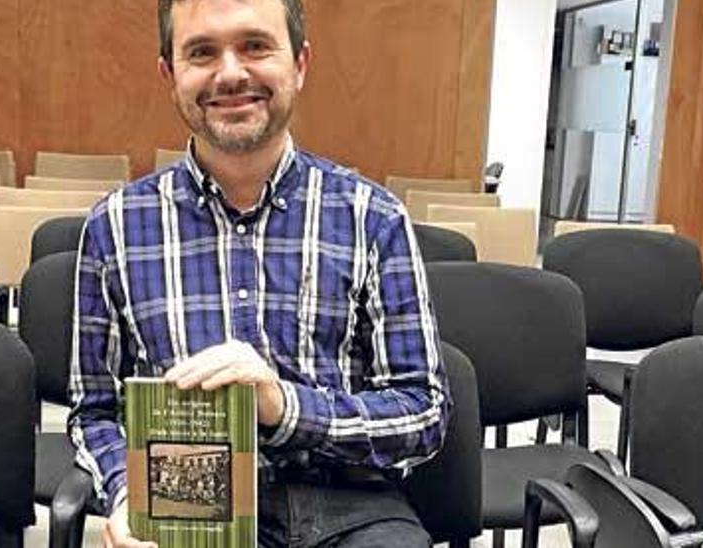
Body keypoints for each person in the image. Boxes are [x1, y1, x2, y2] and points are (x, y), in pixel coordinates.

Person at [69, 0, 450, 546]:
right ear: (169, 74)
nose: (229, 72)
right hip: (192, 499)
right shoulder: (115, 226)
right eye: (201, 52)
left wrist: (286, 407)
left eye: (255, 45)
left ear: (299, 63)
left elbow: (423, 412)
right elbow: (95, 410)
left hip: (350, 502)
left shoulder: (374, 217)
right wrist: (131, 491)